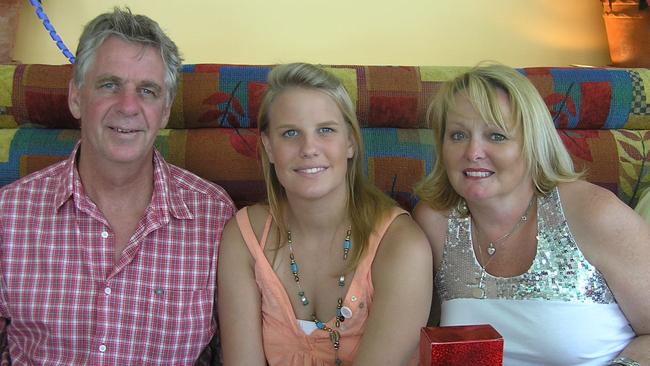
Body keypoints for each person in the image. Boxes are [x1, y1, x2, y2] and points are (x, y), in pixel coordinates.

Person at [0, 8, 235, 365]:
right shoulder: (8, 213)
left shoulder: (215, 217)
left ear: (166, 111)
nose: (128, 106)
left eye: (147, 91)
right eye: (109, 85)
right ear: (76, 97)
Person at [413, 63, 650, 366]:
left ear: (532, 142)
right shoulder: (434, 223)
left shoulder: (593, 214)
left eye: (496, 136)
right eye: (458, 135)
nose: (472, 152)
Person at [217, 63, 432, 365]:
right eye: (290, 132)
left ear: (350, 143)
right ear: (268, 147)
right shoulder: (243, 236)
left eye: (326, 130)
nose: (309, 148)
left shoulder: (401, 245)